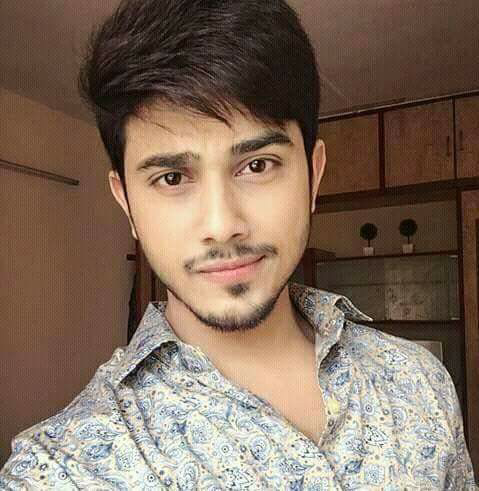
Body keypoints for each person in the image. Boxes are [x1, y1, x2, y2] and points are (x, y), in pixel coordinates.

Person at [1, 0, 477, 488]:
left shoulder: (420, 381)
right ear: (127, 204)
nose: (223, 224)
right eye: (171, 177)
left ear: (313, 177)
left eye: (257, 165)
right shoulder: (63, 468)